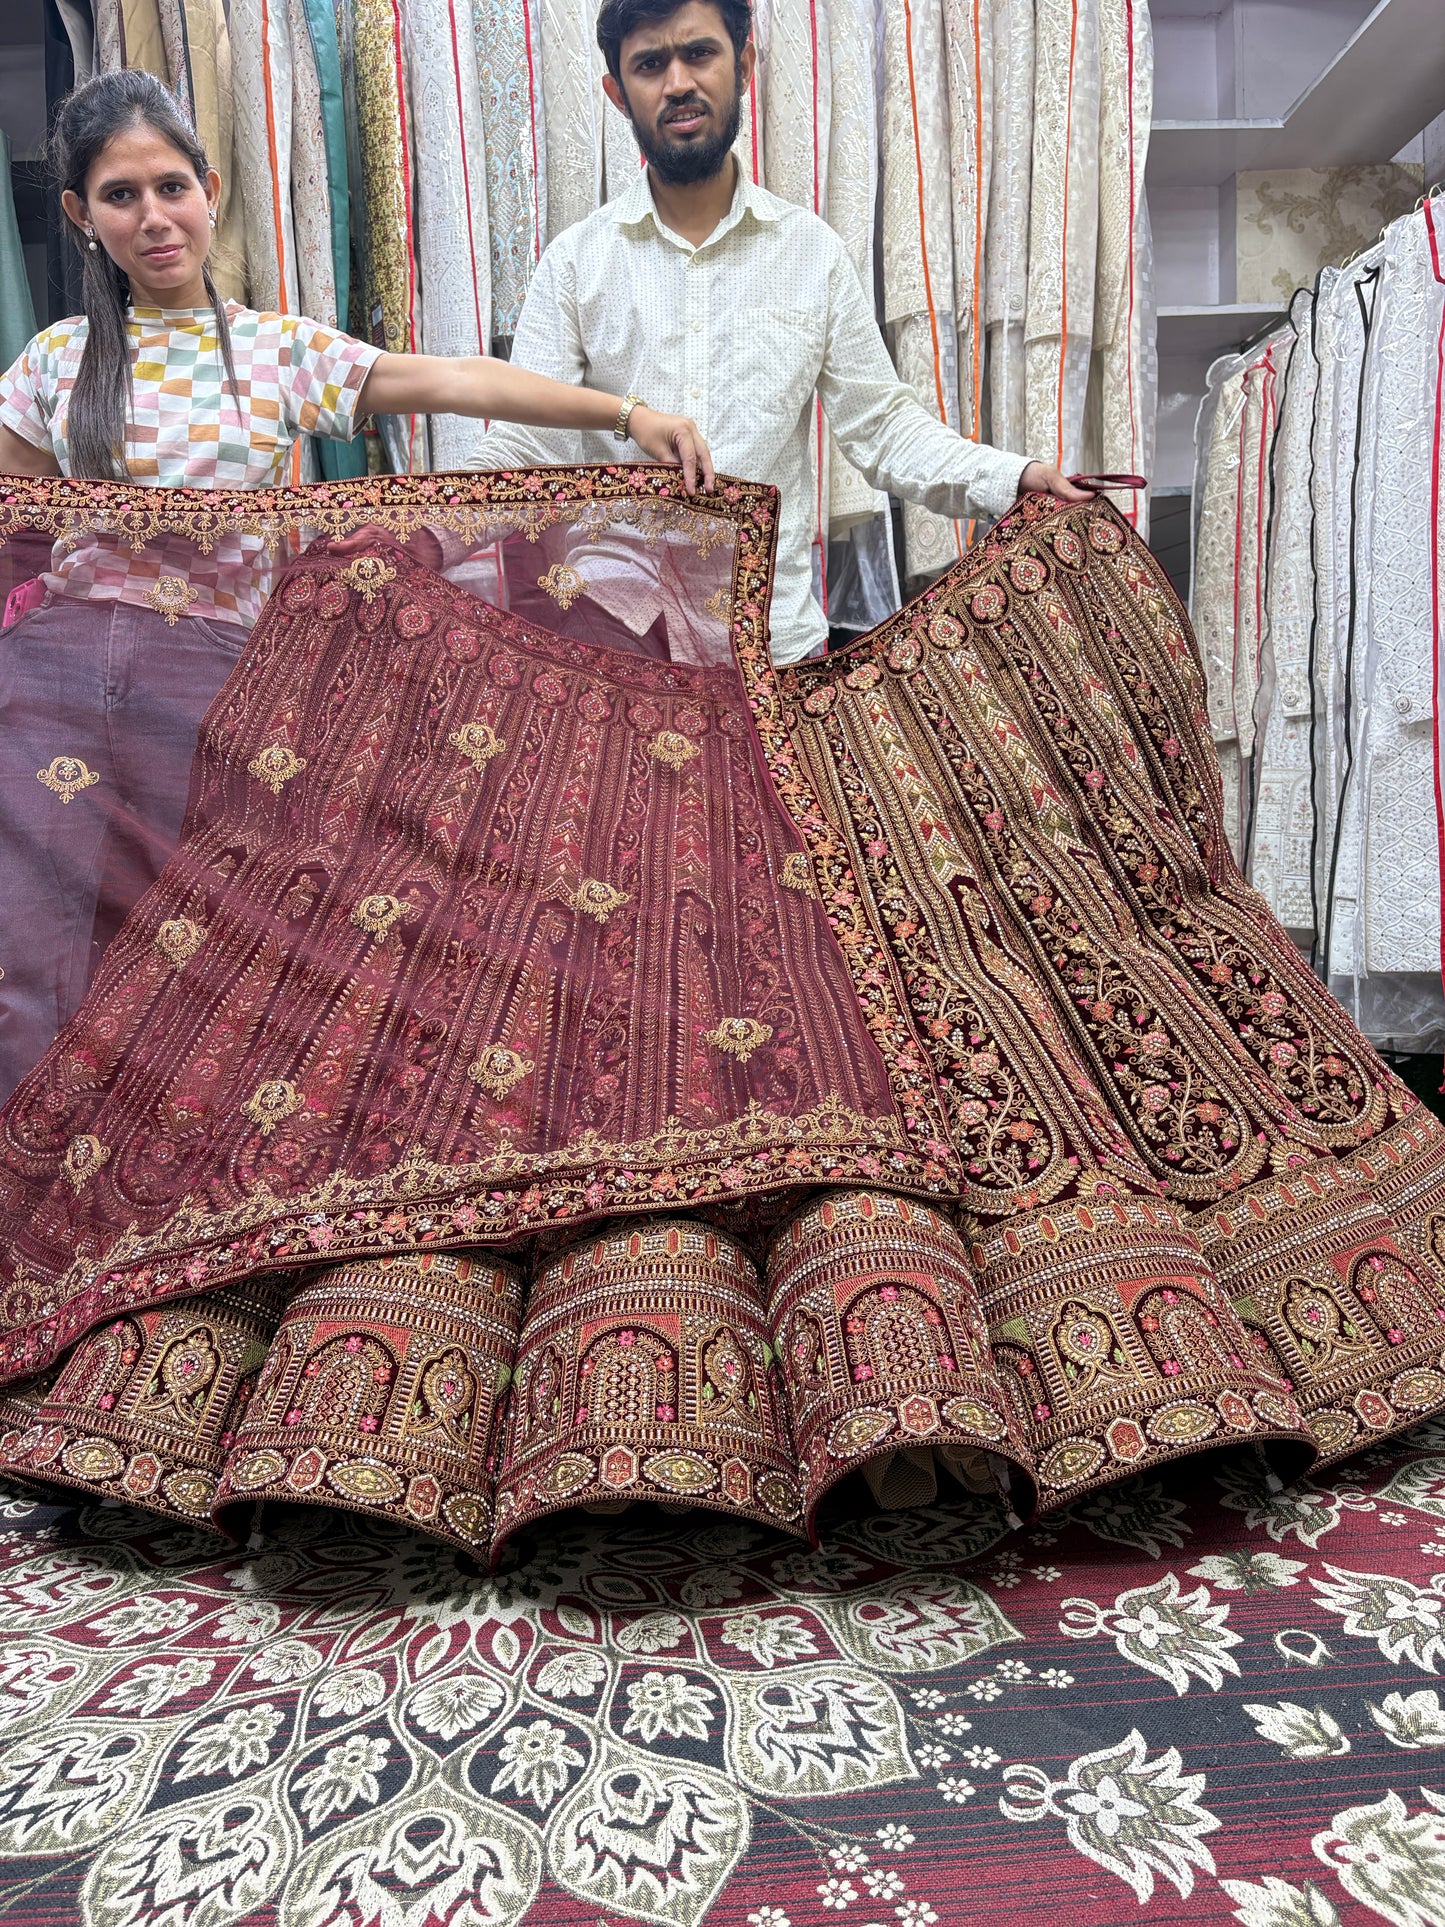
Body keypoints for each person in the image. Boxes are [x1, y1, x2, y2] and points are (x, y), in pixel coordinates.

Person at [0, 69, 714, 1104]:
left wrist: (626, 412)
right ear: (80, 214)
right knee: (30, 945)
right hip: (53, 687)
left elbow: (457, 376)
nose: (154, 218)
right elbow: (18, 526)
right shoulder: (53, 362)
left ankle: (163, 1203)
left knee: (191, 945)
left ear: (210, 188)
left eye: (170, 186)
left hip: (203, 686)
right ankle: (27, 1205)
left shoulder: (275, 354)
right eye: (120, 196)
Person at [461, 0, 1091, 665]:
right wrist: (414, 525)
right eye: (650, 64)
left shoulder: (810, 254)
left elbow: (882, 427)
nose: (677, 82)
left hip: (774, 653)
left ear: (746, 64)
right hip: (617, 654)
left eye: (699, 53)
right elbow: (529, 439)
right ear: (617, 94)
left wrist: (1009, 477)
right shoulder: (573, 264)